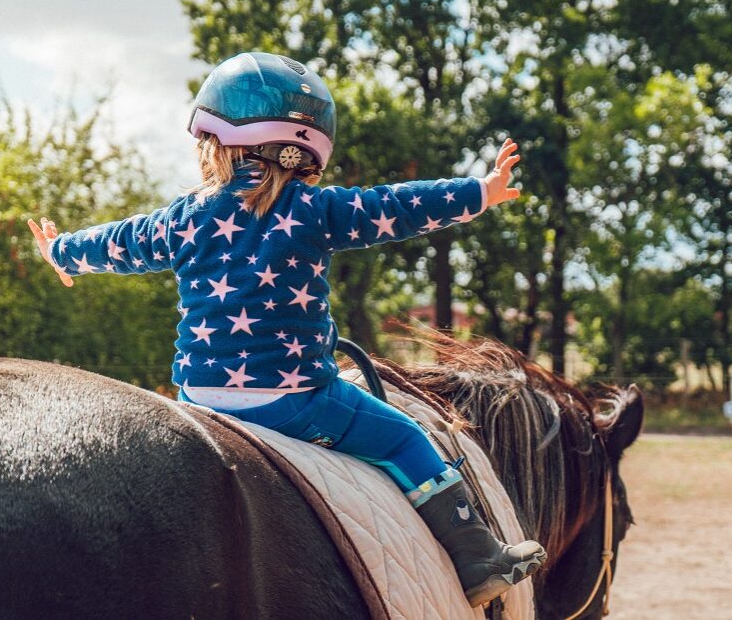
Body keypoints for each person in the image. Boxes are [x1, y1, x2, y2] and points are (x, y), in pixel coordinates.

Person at [29, 52, 546, 606]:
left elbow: (123, 242)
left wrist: (63, 252)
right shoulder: (315, 209)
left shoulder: (183, 216)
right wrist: (480, 193)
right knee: (404, 437)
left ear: (213, 141)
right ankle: (477, 559)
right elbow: (396, 205)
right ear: (308, 151)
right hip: (296, 402)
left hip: (199, 401)